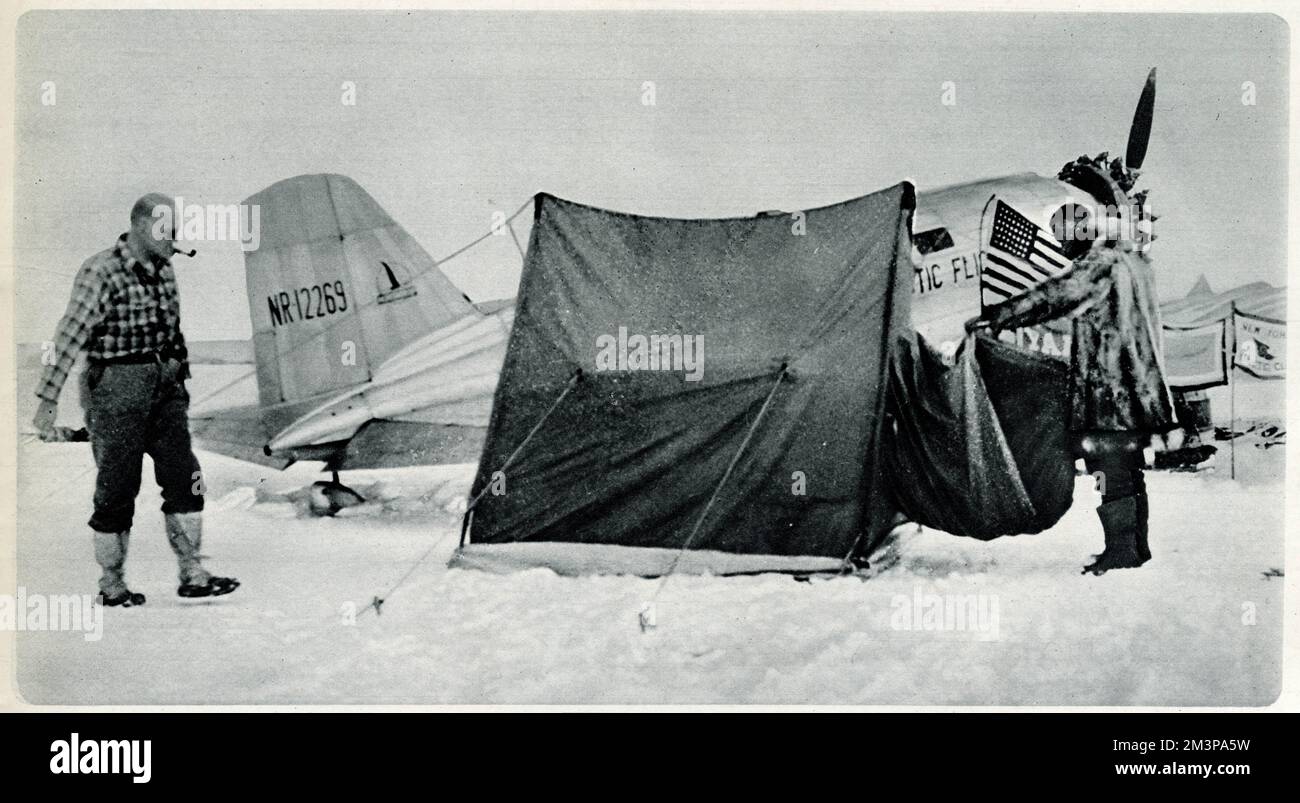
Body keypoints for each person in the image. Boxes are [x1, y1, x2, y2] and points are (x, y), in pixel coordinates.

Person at [32, 194, 239, 606]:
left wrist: (179, 378)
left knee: (186, 478)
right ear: (143, 226)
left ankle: (193, 572)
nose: (177, 240)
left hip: (165, 388)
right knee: (117, 487)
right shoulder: (100, 271)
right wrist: (47, 399)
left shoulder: (165, 270)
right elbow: (65, 338)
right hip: (115, 390)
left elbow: (171, 331)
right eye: (170, 231)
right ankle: (112, 583)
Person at [966, 213, 1179, 575]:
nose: (1062, 247)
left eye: (1062, 239)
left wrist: (999, 316)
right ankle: (1133, 548)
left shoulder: (1101, 264)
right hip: (1134, 388)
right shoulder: (1134, 263)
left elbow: (1055, 296)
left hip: (1108, 393)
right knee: (1126, 472)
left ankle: (1122, 553)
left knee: (1111, 472)